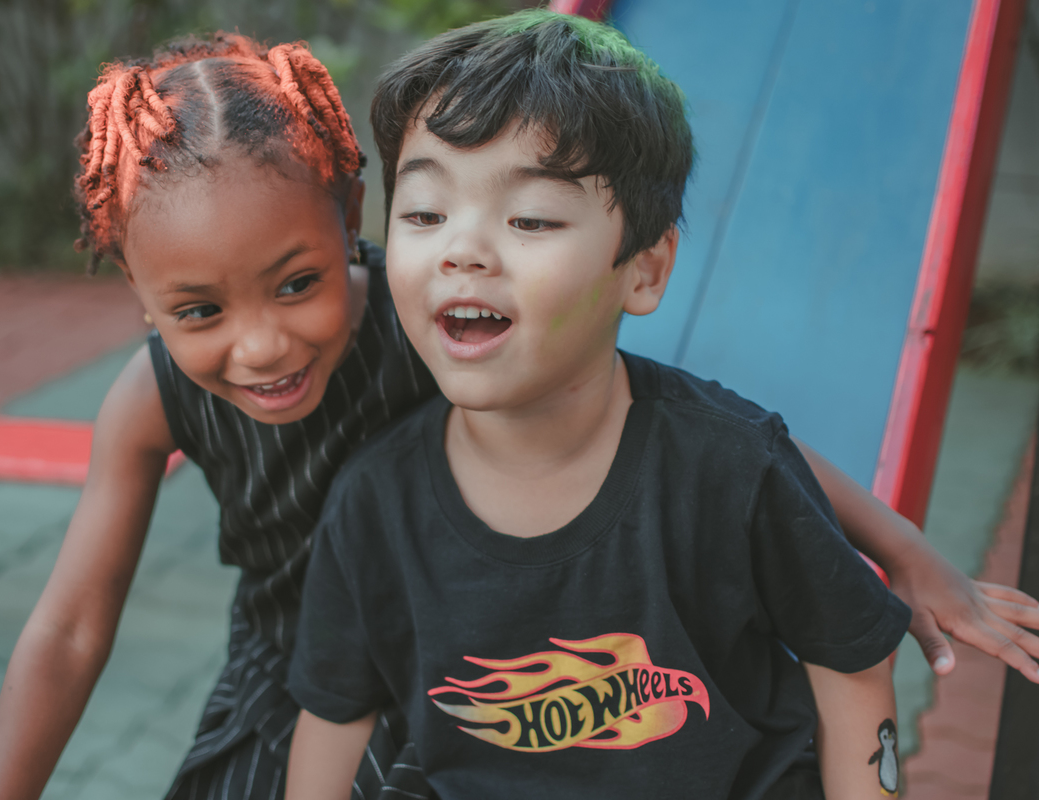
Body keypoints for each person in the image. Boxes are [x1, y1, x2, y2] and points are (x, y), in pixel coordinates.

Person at [0, 25, 1039, 800]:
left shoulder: (436, 318)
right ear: (137, 291)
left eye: (298, 283)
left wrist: (907, 553)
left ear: (352, 220)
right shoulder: (152, 398)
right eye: (199, 309)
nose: (263, 344)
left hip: (458, 634)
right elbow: (70, 625)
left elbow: (715, 433)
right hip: (295, 661)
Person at [280, 11, 1020, 800]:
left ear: (645, 268)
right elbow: (333, 717)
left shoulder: (730, 467)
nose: (462, 248)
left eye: (529, 218)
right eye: (425, 214)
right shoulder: (373, 505)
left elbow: (853, 659)